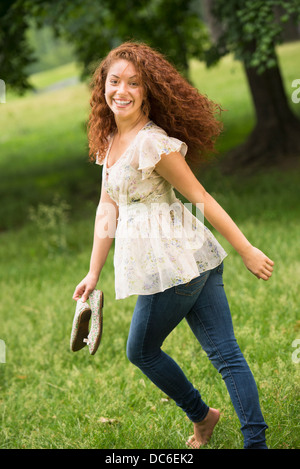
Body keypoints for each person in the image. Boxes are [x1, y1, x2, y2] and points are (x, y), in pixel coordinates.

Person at [73, 41, 274, 449]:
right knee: (227, 355)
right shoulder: (109, 140)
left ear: (147, 90)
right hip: (188, 259)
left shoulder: (152, 143)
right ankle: (252, 439)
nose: (122, 91)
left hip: (177, 266)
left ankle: (203, 416)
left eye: (134, 83)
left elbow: (201, 198)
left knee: (141, 350)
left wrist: (246, 248)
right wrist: (93, 272)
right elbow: (106, 208)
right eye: (114, 82)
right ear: (103, 86)